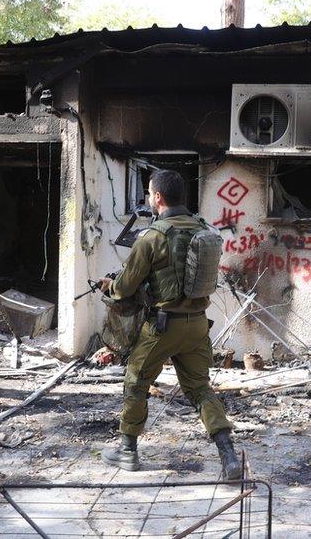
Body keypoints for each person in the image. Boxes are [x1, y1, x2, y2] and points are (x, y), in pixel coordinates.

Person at [99, 169, 242, 480]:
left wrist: (109, 286)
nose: (149, 198)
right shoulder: (201, 228)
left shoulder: (152, 236)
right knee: (200, 389)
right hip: (198, 326)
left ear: (158, 198)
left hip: (162, 327)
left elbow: (124, 288)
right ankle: (228, 455)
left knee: (136, 382)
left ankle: (127, 451)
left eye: (150, 194)